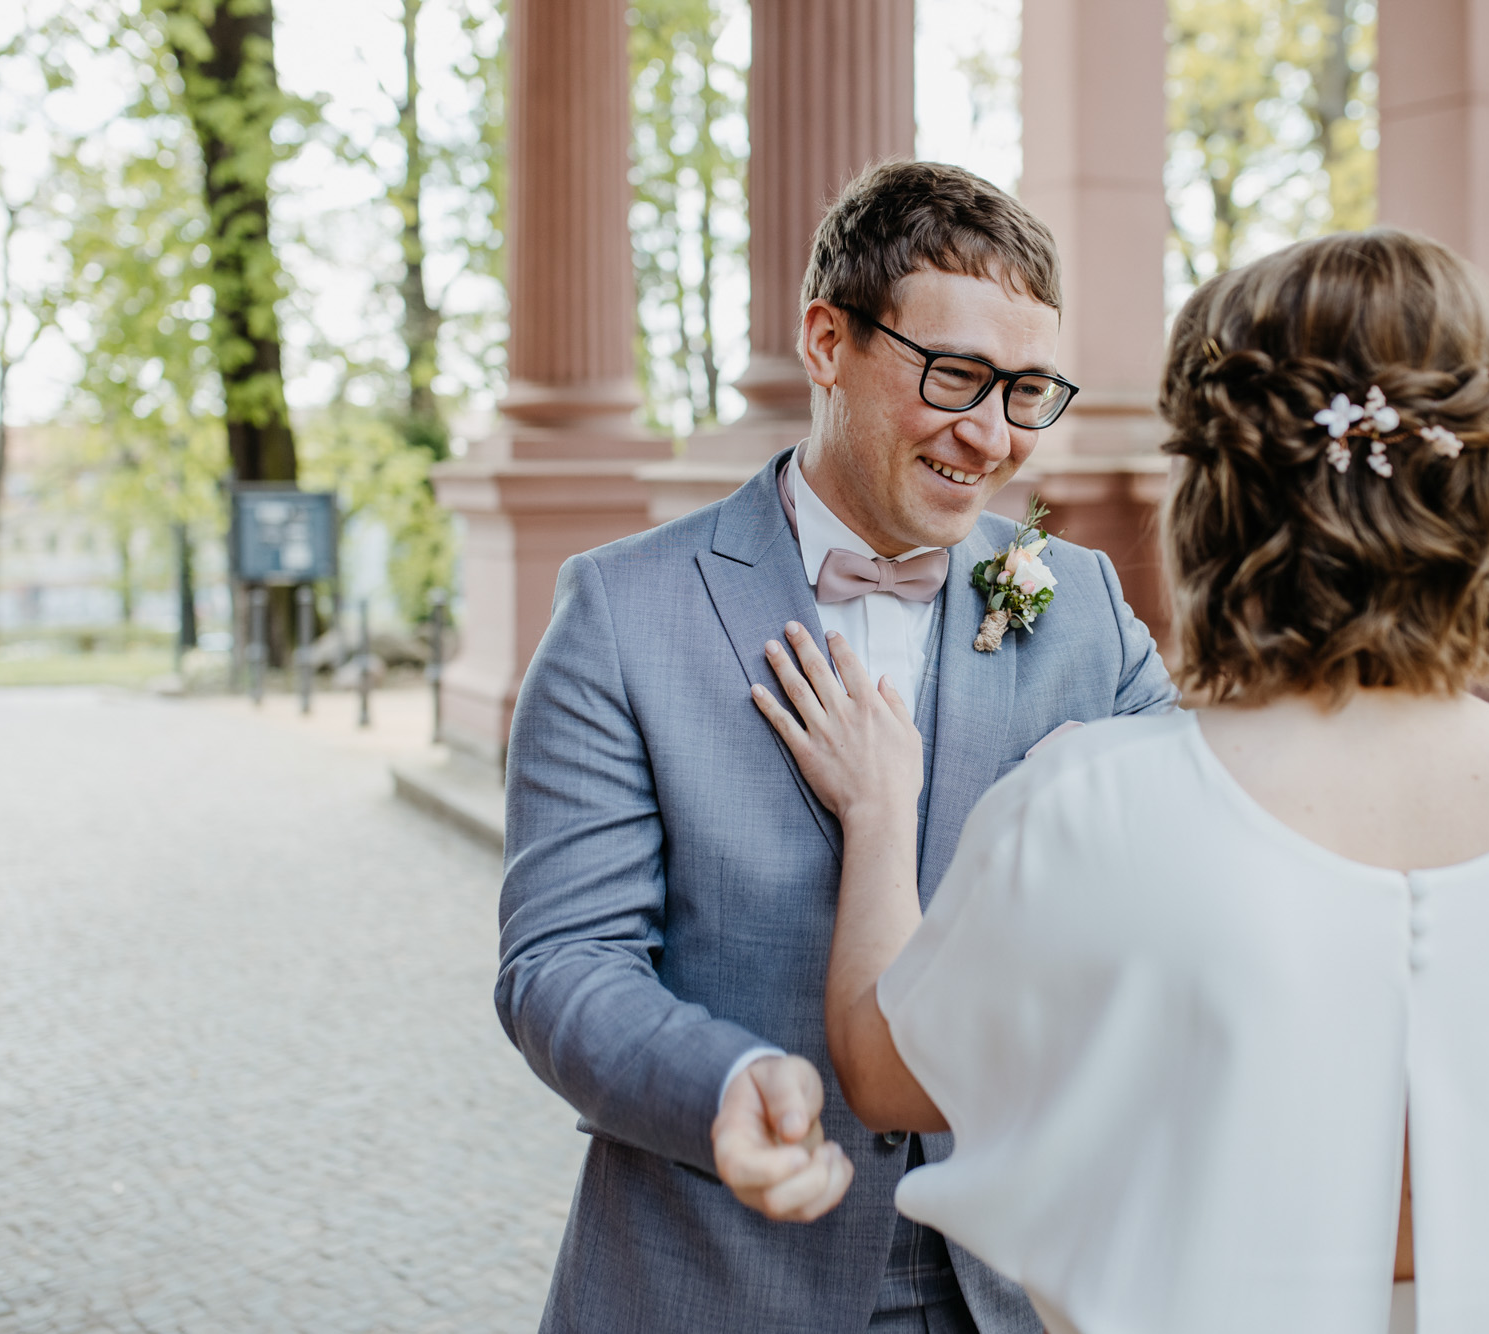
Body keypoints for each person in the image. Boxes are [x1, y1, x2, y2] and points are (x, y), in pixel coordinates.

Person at [751, 229, 1489, 1334]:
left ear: (1212, 494)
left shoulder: (1093, 805)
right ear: (1482, 491)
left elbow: (883, 1072)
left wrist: (879, 813)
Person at [495, 159, 1176, 1334]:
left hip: (1009, 1283)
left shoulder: (1083, 604)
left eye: (1025, 390)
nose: (989, 436)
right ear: (825, 342)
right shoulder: (621, 611)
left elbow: (1179, 888)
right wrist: (717, 1084)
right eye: (956, 375)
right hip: (717, 1272)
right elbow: (560, 961)